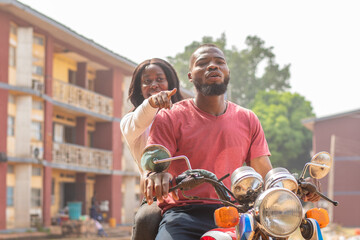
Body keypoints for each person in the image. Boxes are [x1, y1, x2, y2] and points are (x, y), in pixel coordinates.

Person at [143, 43, 273, 240]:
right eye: (202, 63)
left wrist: (291, 187)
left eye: (219, 62)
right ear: (190, 75)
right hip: (184, 214)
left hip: (236, 215)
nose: (213, 66)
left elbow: (264, 172)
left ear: (227, 71)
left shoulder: (248, 118)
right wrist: (156, 175)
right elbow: (156, 161)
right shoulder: (170, 116)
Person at [120, 58, 183, 240]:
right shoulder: (130, 122)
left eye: (159, 79)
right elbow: (140, 119)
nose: (154, 85)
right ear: (140, 88)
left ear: (170, 83)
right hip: (158, 196)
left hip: (192, 190)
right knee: (146, 219)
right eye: (147, 81)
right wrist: (153, 103)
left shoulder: (186, 114)